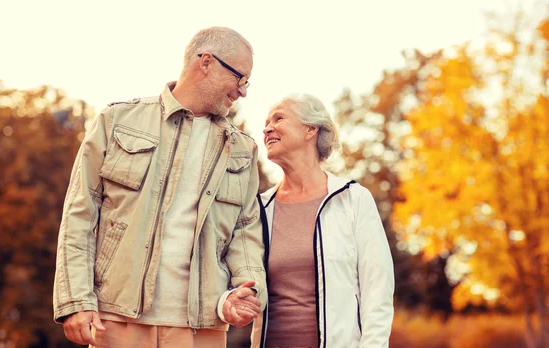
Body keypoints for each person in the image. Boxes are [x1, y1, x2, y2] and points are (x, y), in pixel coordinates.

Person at [53, 27, 267, 348]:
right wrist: (75, 300)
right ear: (205, 62)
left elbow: (245, 233)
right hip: (117, 320)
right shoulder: (117, 121)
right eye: (240, 78)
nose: (243, 91)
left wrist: (247, 290)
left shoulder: (243, 149)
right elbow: (80, 214)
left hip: (202, 328)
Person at [252, 94, 394, 348]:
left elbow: (378, 290)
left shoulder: (352, 199)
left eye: (279, 118)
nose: (267, 128)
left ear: (310, 128)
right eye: (266, 122)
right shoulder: (260, 208)